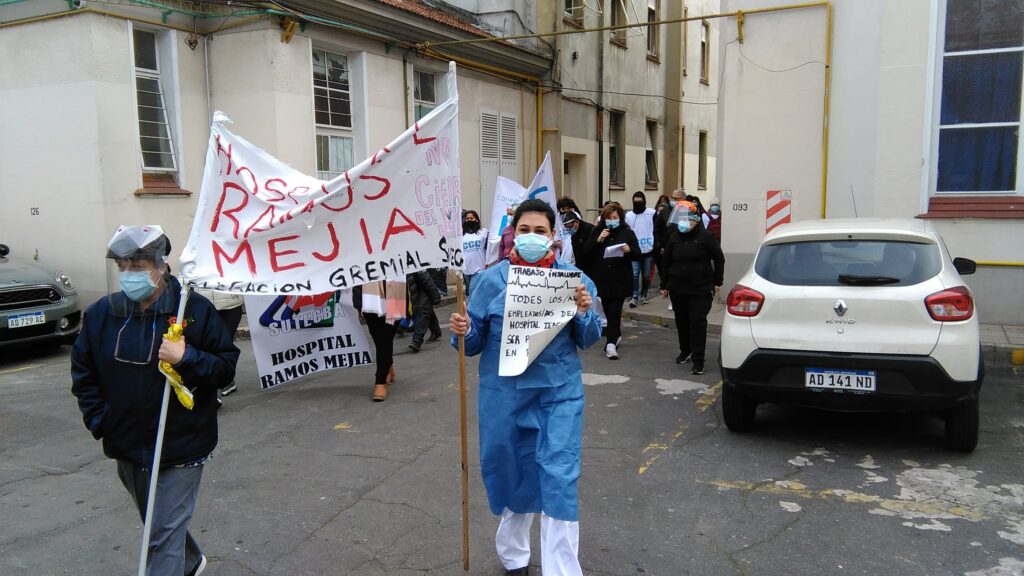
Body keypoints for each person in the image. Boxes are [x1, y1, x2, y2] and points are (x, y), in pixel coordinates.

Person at [71, 225, 239, 576]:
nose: (129, 275)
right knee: (158, 523)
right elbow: (84, 372)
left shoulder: (193, 311)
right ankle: (190, 560)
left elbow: (224, 368)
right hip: (127, 443)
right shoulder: (103, 314)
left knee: (161, 533)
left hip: (182, 445)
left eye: (138, 266)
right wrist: (101, 420)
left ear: (161, 267)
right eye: (123, 267)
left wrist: (187, 358)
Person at [448, 199, 601, 576]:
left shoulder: (575, 280)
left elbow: (589, 336)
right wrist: (463, 331)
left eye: (541, 231)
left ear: (553, 237)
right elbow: (474, 342)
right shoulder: (488, 281)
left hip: (558, 394)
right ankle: (514, 558)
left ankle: (561, 570)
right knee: (511, 471)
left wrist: (583, 311)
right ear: (512, 234)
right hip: (504, 396)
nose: (532, 238)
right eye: (524, 230)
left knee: (559, 477)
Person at [658, 202, 725, 375]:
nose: (683, 223)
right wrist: (664, 285)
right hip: (678, 287)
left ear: (695, 220)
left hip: (700, 289)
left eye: (687, 220)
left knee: (697, 322)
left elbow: (719, 258)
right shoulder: (674, 237)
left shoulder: (705, 237)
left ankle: (698, 360)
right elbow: (666, 263)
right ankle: (685, 350)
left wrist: (718, 281)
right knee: (682, 321)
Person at [582, 202, 640, 360]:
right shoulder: (598, 231)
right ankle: (616, 335)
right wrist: (598, 240)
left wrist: (629, 250)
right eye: (609, 218)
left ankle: (611, 344)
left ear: (620, 218)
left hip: (620, 279)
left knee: (615, 311)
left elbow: (637, 253)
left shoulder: (627, 233)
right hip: (602, 278)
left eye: (615, 217)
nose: (612, 220)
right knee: (607, 310)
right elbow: (586, 252)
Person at [352, 281, 400, 401]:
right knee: (379, 339)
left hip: (395, 291)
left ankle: (380, 382)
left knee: (386, 337)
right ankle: (388, 366)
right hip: (368, 295)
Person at [194, 287, 244, 399]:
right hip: (203, 303)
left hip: (230, 304)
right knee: (207, 346)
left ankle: (218, 388)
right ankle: (223, 383)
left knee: (224, 345)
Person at [653, 189, 686, 312]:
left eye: (676, 198)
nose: (673, 200)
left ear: (683, 199)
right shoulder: (665, 212)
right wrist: (659, 245)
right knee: (670, 274)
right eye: (672, 197)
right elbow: (657, 230)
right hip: (667, 249)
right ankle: (672, 298)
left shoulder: (687, 211)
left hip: (683, 249)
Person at [625, 191, 657, 308]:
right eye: (636, 201)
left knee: (646, 275)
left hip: (648, 249)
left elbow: (656, 229)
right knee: (634, 275)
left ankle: (644, 294)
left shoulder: (651, 213)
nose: (638, 203)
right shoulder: (628, 216)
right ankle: (634, 297)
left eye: (640, 201)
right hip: (634, 250)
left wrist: (655, 244)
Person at [407, 269, 442, 353]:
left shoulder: (415, 265)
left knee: (423, 312)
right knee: (428, 311)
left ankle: (417, 341)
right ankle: (436, 331)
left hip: (424, 291)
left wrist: (436, 296)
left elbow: (427, 280)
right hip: (415, 292)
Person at [560, 210, 595, 279]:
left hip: (592, 266)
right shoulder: (574, 233)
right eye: (567, 228)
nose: (569, 229)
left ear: (576, 222)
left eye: (570, 227)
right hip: (580, 265)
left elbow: (590, 249)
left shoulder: (590, 229)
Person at [461, 209, 489, 296]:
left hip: (479, 268)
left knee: (472, 291)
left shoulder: (484, 232)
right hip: (465, 269)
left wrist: (488, 262)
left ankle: (470, 309)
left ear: (476, 219)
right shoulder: (461, 234)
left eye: (471, 218)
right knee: (470, 292)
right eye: (467, 218)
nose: (469, 220)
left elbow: (489, 248)